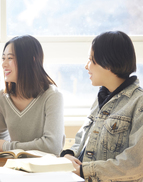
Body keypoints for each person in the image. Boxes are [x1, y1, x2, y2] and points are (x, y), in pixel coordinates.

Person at [61, 31, 143, 181]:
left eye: (92, 60)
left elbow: (136, 163)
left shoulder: (139, 103)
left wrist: (84, 170)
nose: (87, 66)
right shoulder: (102, 97)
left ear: (109, 63)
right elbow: (82, 139)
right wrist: (68, 155)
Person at [0, 35, 65, 156]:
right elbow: (0, 144)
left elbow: (52, 146)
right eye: (3, 58)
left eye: (9, 58)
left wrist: (8, 147)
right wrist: (5, 148)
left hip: (47, 170)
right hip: (14, 169)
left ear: (32, 60)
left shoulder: (52, 96)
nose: (4, 64)